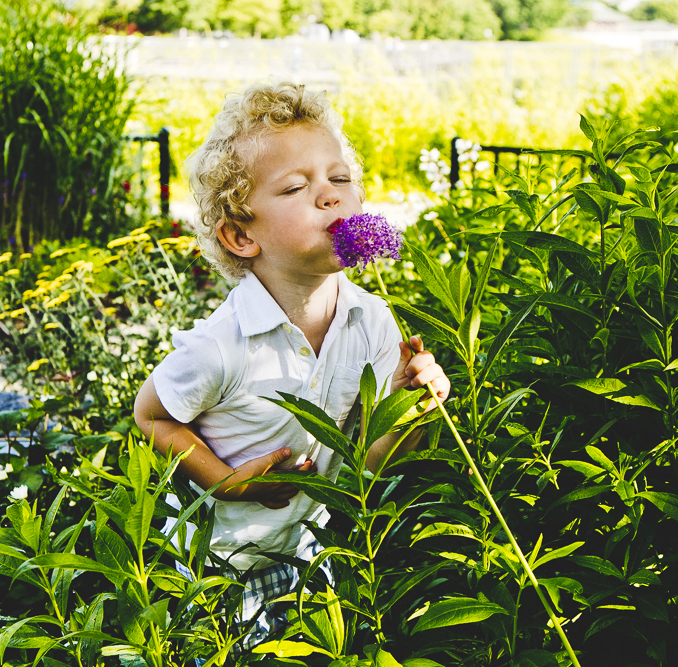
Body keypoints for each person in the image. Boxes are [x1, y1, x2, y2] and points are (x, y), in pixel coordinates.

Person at [132, 81, 450, 655]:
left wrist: (412, 409)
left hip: (309, 553)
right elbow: (151, 415)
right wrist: (224, 484)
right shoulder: (221, 345)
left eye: (340, 179)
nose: (329, 196)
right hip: (216, 565)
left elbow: (368, 463)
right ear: (240, 235)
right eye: (297, 187)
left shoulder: (374, 322)